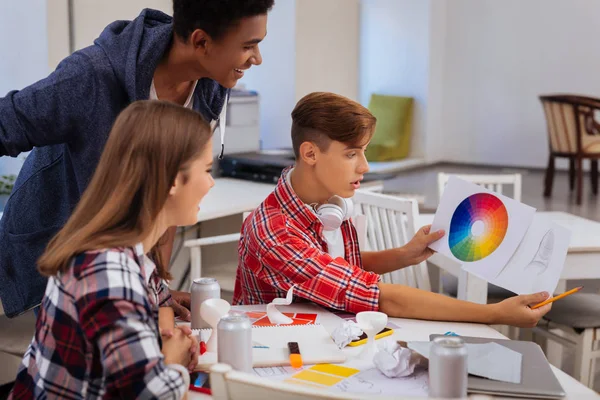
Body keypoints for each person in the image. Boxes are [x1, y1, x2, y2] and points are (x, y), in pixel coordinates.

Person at [0, 0, 274, 318]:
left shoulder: (212, 84)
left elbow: (167, 197)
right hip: (55, 261)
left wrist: (157, 290)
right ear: (201, 41)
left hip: (121, 268)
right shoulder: (90, 76)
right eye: (248, 46)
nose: (257, 59)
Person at [233, 92, 552, 328]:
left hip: (326, 334)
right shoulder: (275, 231)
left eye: (365, 151)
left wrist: (404, 254)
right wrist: (495, 314)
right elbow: (379, 296)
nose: (365, 165)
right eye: (351, 154)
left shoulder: (327, 203)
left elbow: (340, 268)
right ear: (311, 153)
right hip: (277, 359)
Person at [10, 100, 214, 399]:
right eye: (206, 170)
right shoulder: (108, 273)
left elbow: (161, 309)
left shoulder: (129, 252)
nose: (210, 183)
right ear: (172, 180)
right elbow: (154, 395)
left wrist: (169, 345)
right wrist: (174, 361)